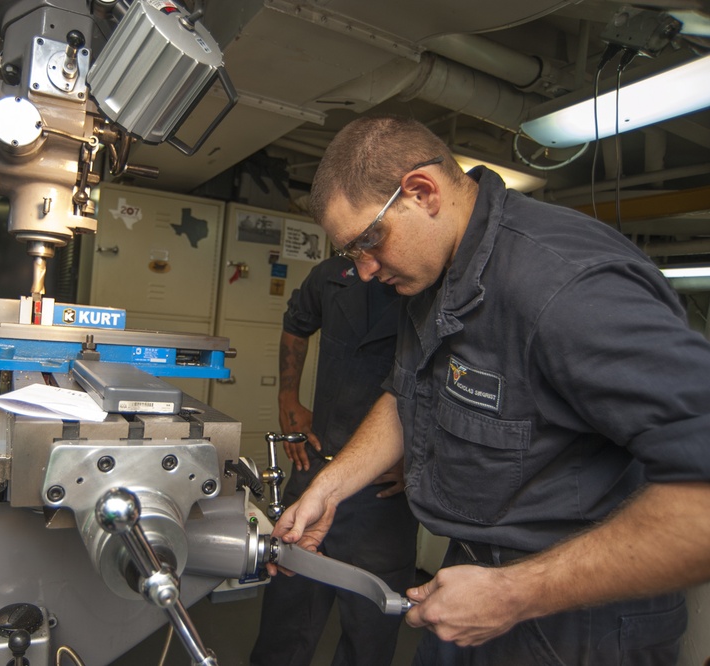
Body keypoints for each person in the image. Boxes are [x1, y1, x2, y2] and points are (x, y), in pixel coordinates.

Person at [271, 116, 710, 665]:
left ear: (421, 192)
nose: (362, 271)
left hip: (574, 620)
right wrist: (331, 486)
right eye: (350, 253)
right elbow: (408, 392)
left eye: (368, 242)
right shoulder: (434, 273)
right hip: (473, 583)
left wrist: (515, 592)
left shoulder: (564, 288)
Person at [251, 255, 418, 666]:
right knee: (287, 609)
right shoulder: (332, 276)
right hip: (315, 466)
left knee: (370, 623)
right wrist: (287, 397)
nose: (364, 264)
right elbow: (297, 324)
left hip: (382, 495)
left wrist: (417, 456)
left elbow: (450, 381)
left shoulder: (432, 285)